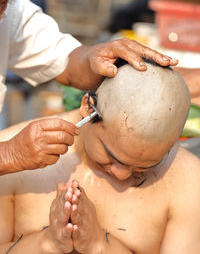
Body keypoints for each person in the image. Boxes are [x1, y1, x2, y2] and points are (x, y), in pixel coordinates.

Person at [0, 60, 200, 254]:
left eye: (145, 166)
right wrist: (46, 243)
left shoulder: (189, 181)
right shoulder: (12, 158)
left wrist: (99, 245)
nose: (121, 174)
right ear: (88, 107)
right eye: (112, 156)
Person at [0, 0, 178, 175]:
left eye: (3, 1)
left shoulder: (10, 7)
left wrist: (92, 58)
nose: (122, 175)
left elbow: (65, 61)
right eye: (112, 156)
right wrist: (9, 155)